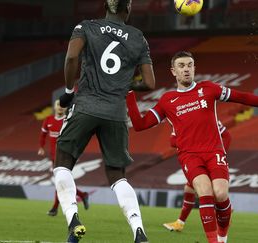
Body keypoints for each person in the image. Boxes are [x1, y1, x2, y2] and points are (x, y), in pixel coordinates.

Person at [127, 51, 258, 243]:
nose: (186, 69)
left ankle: (223, 236)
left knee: (221, 194)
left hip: (214, 151)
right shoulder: (167, 100)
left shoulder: (208, 89)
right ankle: (213, 241)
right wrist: (129, 94)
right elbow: (140, 125)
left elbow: (242, 97)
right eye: (181, 66)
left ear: (194, 68)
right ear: (173, 71)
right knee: (205, 192)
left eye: (189, 65)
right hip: (189, 156)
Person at [54, 0, 155, 242]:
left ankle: (73, 220)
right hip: (116, 112)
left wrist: (68, 91)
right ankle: (138, 230)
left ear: (105, 7)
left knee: (62, 163)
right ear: (127, 9)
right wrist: (125, 84)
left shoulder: (86, 27)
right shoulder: (138, 37)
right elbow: (150, 83)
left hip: (86, 105)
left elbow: (71, 58)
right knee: (117, 175)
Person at [163, 121, 231, 232]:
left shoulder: (211, 119)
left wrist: (220, 155)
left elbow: (227, 136)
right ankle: (180, 222)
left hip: (210, 158)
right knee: (190, 189)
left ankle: (222, 216)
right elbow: (172, 141)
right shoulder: (185, 120)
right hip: (196, 158)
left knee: (208, 191)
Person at [38, 100, 89, 217]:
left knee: (60, 182)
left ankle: (54, 208)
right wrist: (41, 147)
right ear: (54, 107)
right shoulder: (48, 120)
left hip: (65, 156)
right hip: (53, 157)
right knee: (62, 182)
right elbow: (43, 134)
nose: (60, 107)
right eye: (58, 105)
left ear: (66, 108)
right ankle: (82, 195)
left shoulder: (67, 120)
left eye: (63, 105)